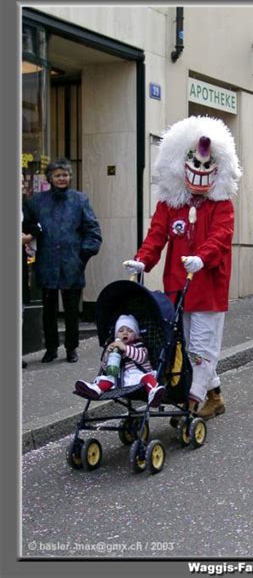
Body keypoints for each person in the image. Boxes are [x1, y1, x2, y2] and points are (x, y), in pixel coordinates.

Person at [123, 116, 242, 421]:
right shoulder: (170, 203)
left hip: (208, 288)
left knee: (201, 347)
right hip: (178, 286)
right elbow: (157, 235)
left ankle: (193, 401)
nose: (200, 172)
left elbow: (221, 236)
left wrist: (202, 257)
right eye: (195, 165)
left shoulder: (221, 205)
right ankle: (214, 395)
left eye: (207, 167)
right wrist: (142, 260)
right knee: (184, 346)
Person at [24, 158, 102, 364]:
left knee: (71, 311)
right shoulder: (36, 202)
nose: (62, 178)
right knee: (48, 312)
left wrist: (82, 255)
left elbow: (93, 232)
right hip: (46, 263)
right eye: (58, 175)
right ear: (50, 177)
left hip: (72, 264)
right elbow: (28, 227)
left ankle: (71, 348)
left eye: (65, 175)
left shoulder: (79, 200)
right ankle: (50, 348)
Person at [74, 314, 166, 407]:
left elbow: (141, 358)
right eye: (121, 331)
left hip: (138, 376)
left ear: (136, 335)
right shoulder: (114, 348)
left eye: (130, 331)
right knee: (108, 378)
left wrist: (125, 348)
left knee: (148, 378)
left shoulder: (140, 346)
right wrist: (107, 354)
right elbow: (105, 368)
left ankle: (153, 393)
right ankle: (95, 389)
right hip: (119, 378)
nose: (125, 333)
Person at [21, 174, 41, 369]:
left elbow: (33, 227)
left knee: (17, 309)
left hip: (17, 262)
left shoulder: (24, 206)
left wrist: (28, 235)